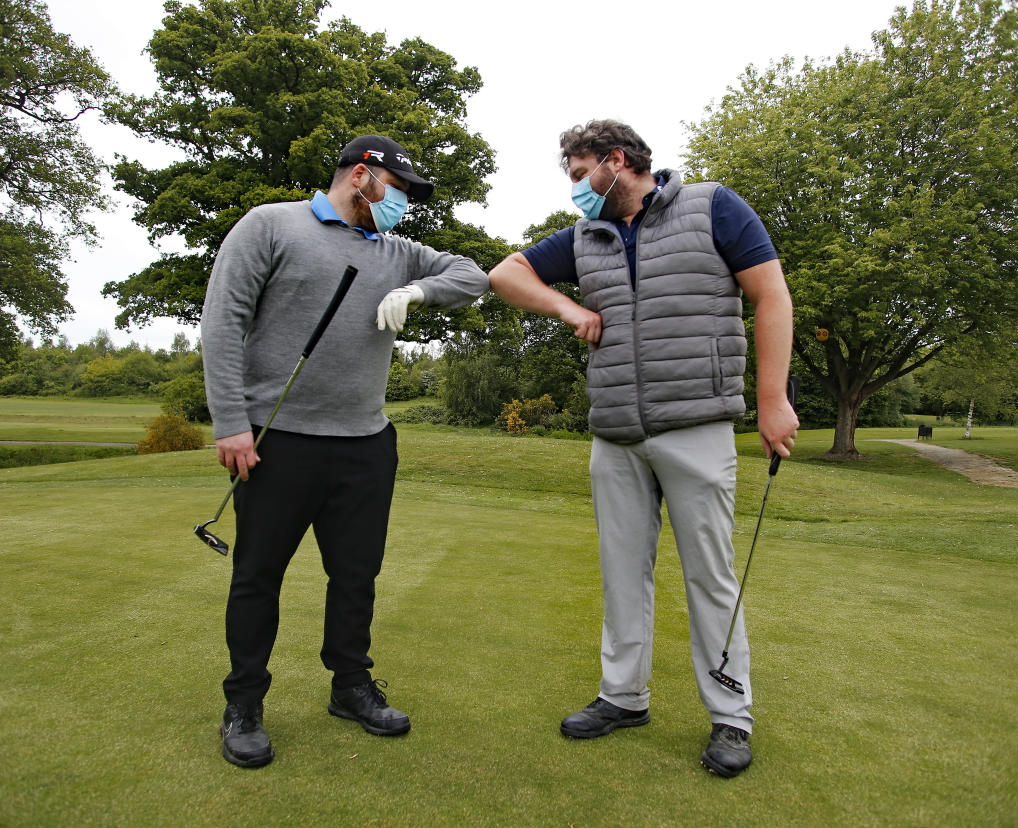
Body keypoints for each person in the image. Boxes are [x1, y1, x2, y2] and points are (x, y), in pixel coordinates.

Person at [488, 119, 798, 778]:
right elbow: (505, 274)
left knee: (709, 578)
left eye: (579, 176)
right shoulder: (585, 236)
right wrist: (567, 311)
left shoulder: (713, 206)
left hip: (698, 427)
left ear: (614, 161)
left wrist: (773, 399)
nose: (575, 192)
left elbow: (770, 293)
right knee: (621, 574)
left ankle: (731, 717)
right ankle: (624, 698)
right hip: (617, 435)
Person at [201, 134, 488, 768]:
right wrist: (231, 422)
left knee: (356, 578)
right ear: (363, 176)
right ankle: (244, 702)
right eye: (399, 192)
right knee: (256, 578)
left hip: (365, 443)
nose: (402, 207)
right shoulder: (271, 225)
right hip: (278, 441)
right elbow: (222, 321)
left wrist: (419, 291)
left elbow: (473, 276)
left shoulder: (395, 251)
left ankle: (350, 686)